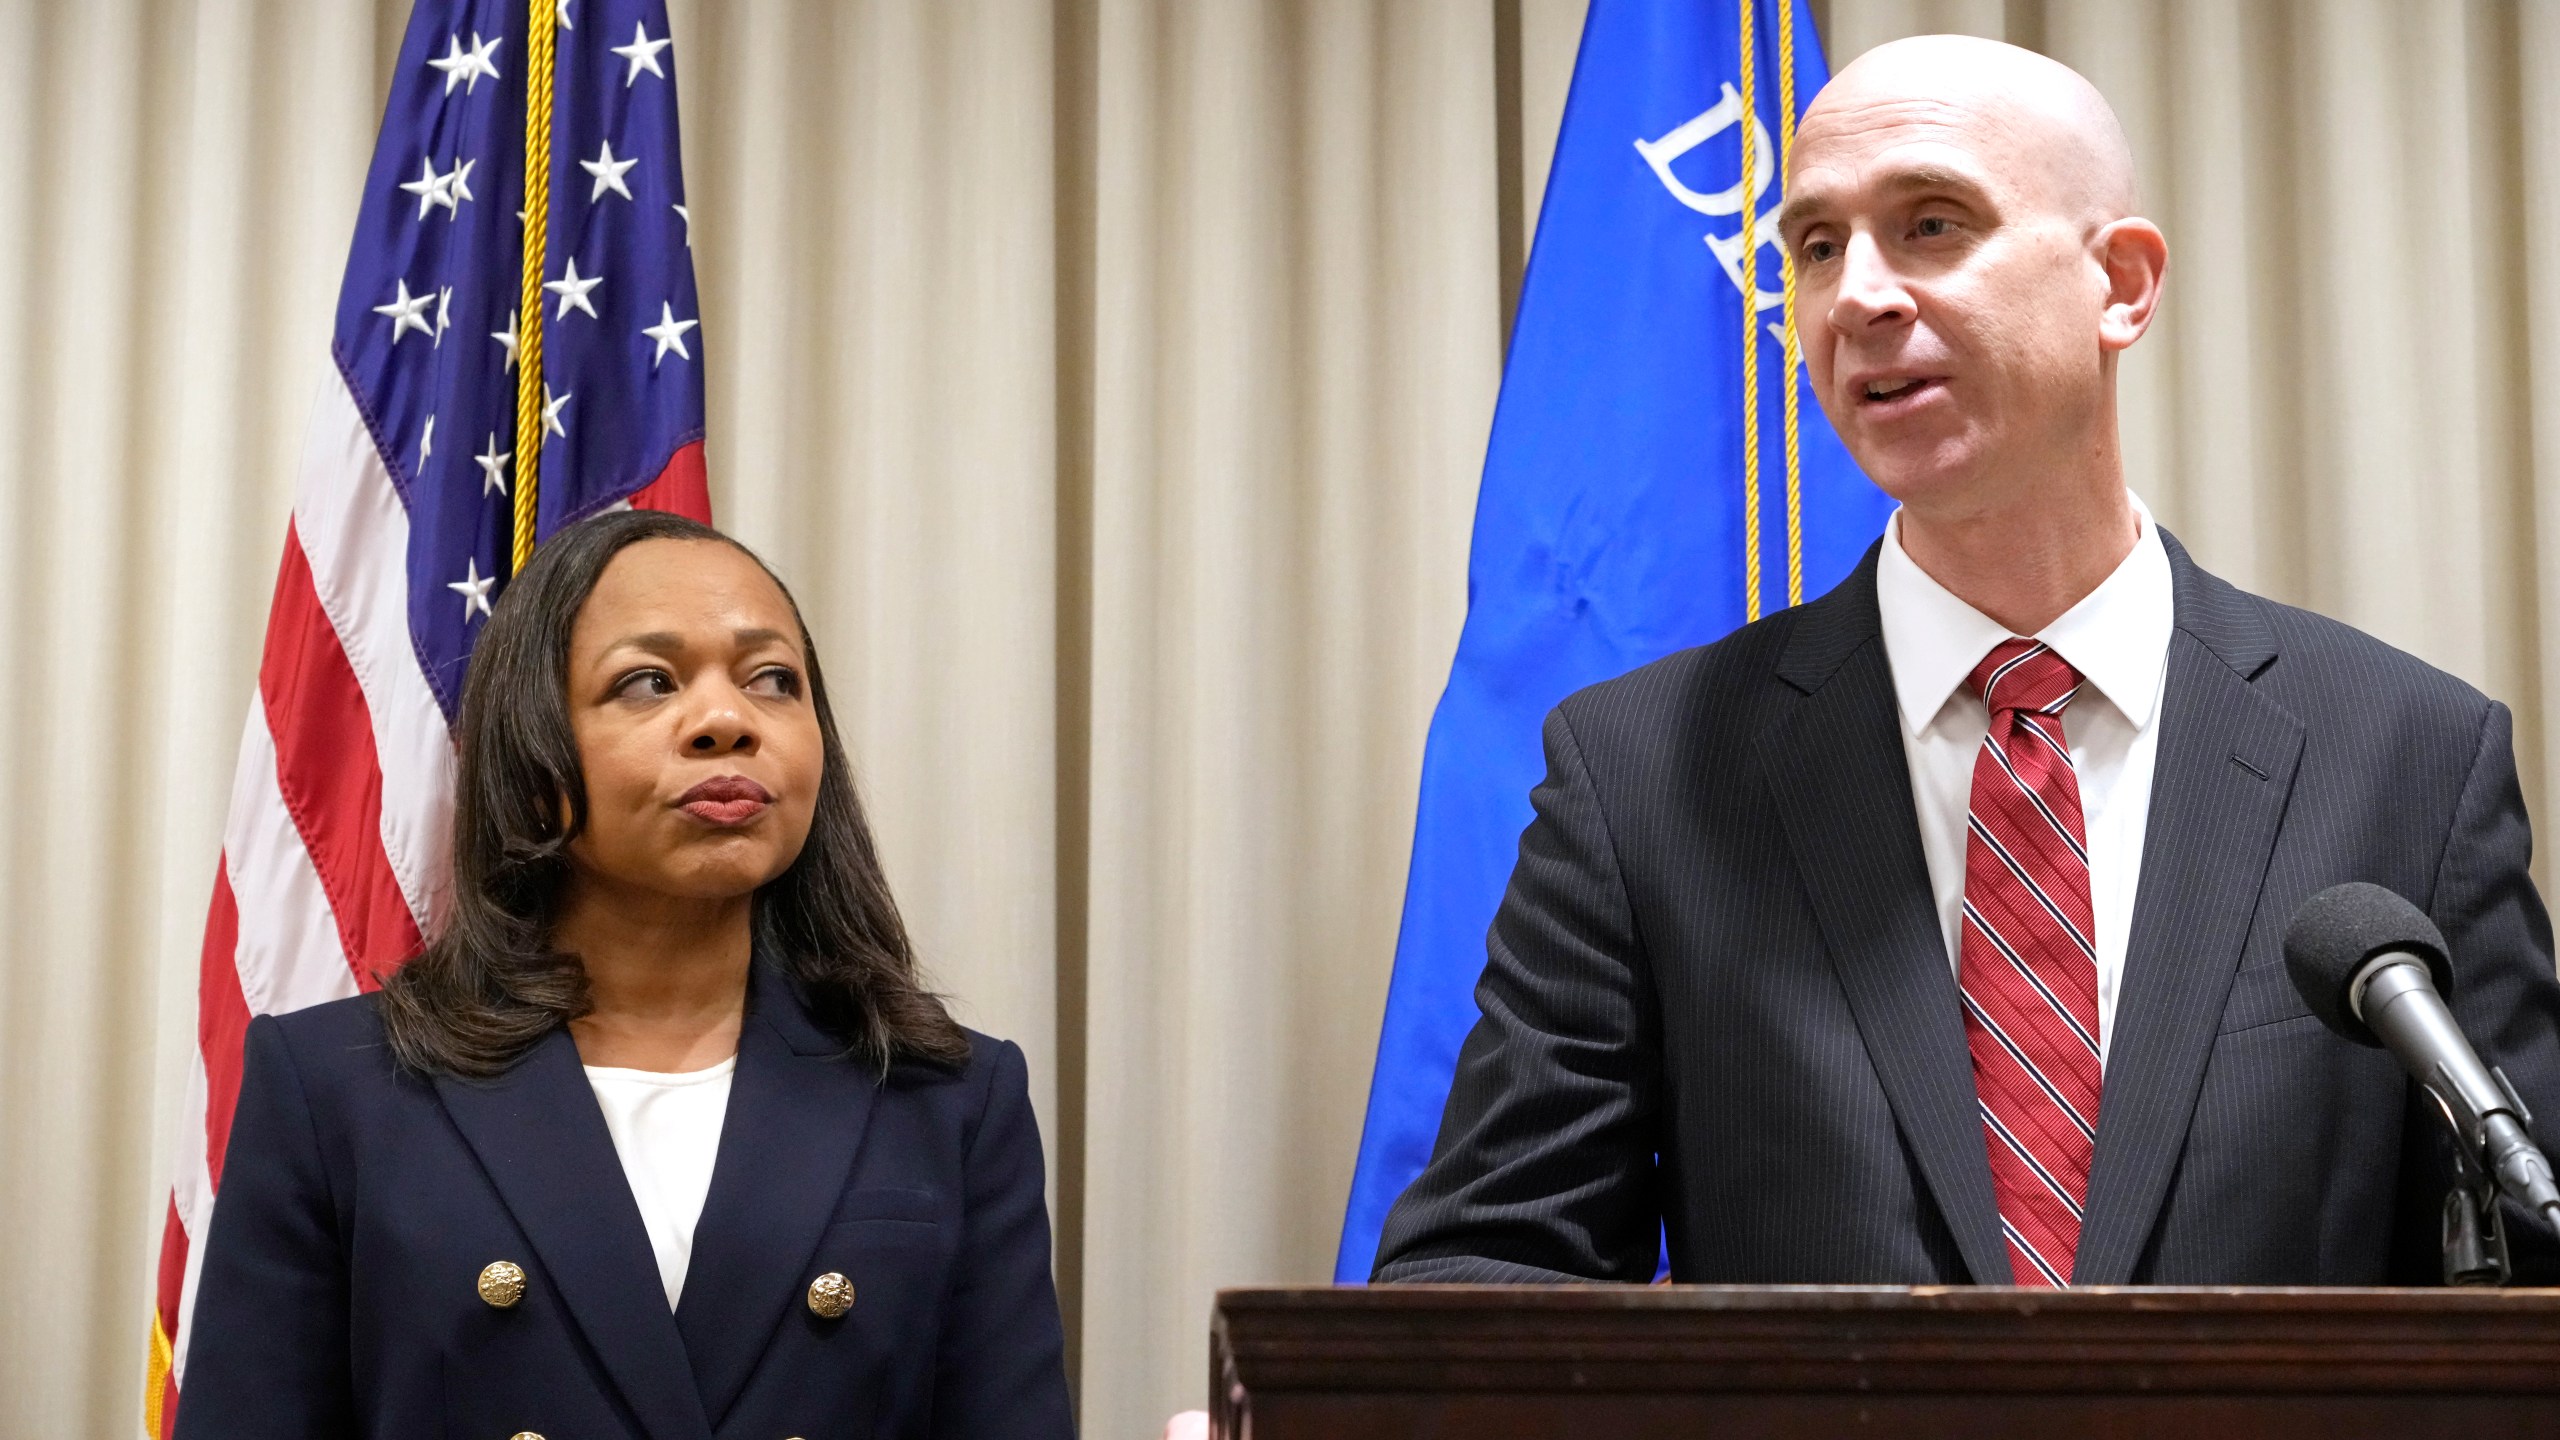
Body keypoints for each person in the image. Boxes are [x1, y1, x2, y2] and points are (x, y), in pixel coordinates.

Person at [1372, 35, 2560, 1288]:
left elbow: (2528, 1262)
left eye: (1932, 225)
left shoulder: (2408, 758)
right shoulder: (1646, 776)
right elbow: (1489, 1277)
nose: (1857, 297)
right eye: (1817, 248)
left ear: (2122, 283)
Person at [177, 510, 1075, 1437]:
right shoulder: (338, 1093)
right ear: (532, 761)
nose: (726, 720)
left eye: (773, 680)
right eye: (648, 683)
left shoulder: (949, 1097)